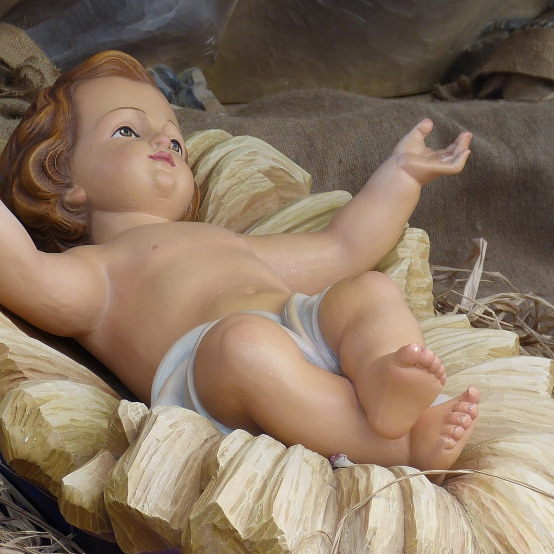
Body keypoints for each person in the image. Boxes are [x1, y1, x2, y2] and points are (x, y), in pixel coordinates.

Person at [0, 50, 479, 475]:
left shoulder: (226, 239)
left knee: (370, 290)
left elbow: (343, 247)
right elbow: (22, 269)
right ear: (63, 176)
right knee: (244, 344)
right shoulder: (96, 270)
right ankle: (398, 446)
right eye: (127, 130)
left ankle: (381, 381)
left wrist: (401, 176)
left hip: (299, 322)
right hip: (214, 379)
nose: (162, 143)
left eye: (175, 141)